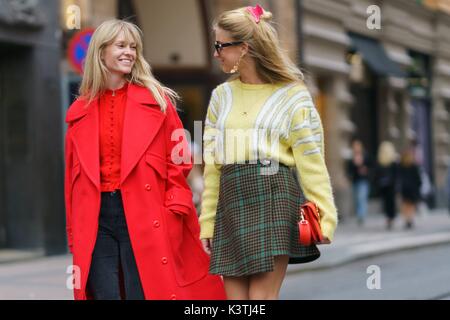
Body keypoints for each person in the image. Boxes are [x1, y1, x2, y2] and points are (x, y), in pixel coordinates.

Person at [64, 19, 226, 300]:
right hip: (95, 219)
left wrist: (173, 208)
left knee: (145, 293)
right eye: (121, 46)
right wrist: (72, 232)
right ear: (101, 52)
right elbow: (71, 179)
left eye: (134, 47)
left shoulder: (157, 101)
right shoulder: (80, 111)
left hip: (144, 213)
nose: (129, 52)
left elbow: (179, 160)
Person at [199, 5, 338, 300]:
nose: (215, 53)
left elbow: (312, 161)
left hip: (273, 194)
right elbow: (213, 164)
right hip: (231, 198)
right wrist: (207, 221)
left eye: (220, 46)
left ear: (244, 48)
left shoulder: (292, 95)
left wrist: (325, 218)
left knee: (260, 299)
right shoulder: (221, 96)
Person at [346, 139, 371, 226]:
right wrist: (354, 165)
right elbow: (349, 169)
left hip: (363, 180)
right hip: (355, 180)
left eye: (358, 146)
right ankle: (359, 214)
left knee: (361, 197)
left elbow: (371, 166)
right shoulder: (351, 157)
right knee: (356, 199)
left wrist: (365, 169)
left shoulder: (365, 156)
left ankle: (361, 215)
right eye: (355, 146)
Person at [375, 141, 398, 230]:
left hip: (384, 186)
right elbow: (396, 174)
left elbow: (377, 174)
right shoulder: (393, 161)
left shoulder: (380, 161)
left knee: (387, 202)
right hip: (391, 186)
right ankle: (391, 218)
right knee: (391, 202)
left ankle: (389, 218)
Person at [398, 148, 422, 229]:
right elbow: (418, 179)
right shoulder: (413, 166)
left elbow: (398, 177)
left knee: (405, 205)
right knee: (411, 205)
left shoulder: (401, 165)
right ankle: (410, 219)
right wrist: (418, 186)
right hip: (412, 189)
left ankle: (407, 219)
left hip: (404, 188)